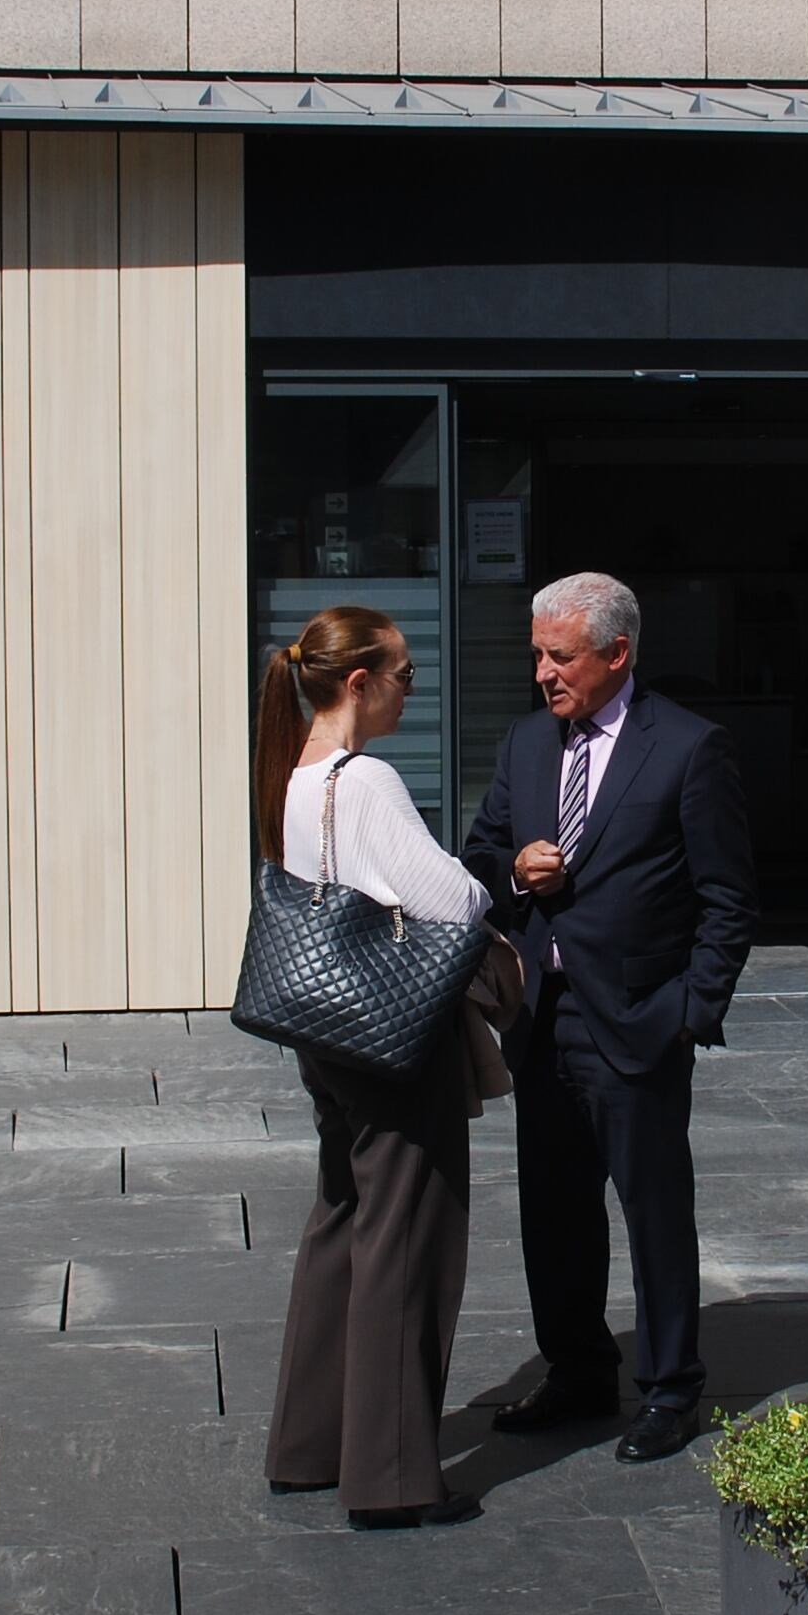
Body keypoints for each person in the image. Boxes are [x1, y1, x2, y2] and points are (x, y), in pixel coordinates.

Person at [460, 572, 757, 1464]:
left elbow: (727, 899)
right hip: (544, 1020)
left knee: (655, 1213)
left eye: (561, 656)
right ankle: (579, 1372)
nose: (544, 674)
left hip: (638, 1024)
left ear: (617, 654)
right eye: (537, 656)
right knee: (554, 1214)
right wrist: (517, 871)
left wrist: (689, 1011)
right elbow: (477, 859)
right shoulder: (525, 746)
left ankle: (671, 1389)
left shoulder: (689, 750)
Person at [251, 606, 512, 1530]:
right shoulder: (366, 781)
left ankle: (309, 1447)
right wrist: (494, 879)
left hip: (324, 1032)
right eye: (404, 674)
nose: (412, 690)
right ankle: (394, 1476)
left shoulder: (290, 775)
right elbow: (450, 896)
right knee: (408, 1240)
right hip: (397, 1039)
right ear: (357, 683)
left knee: (342, 1224)